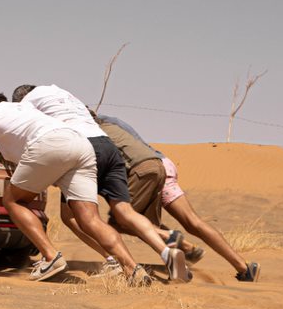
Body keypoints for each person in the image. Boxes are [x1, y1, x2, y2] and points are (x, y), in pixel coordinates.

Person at [0, 90, 152, 286]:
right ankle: (133, 268)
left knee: (13, 201)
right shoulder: (24, 108)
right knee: (90, 218)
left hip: (48, 145)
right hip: (80, 144)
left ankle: (50, 258)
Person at [13, 84, 190, 282]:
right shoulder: (64, 96)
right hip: (108, 147)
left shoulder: (29, 105)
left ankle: (113, 260)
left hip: (82, 150)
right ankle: (167, 253)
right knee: (125, 212)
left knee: (73, 216)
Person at [95, 113, 262, 283]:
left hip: (143, 170)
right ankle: (244, 268)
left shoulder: (91, 130)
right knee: (193, 222)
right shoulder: (111, 121)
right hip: (163, 163)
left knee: (122, 221)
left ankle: (170, 237)